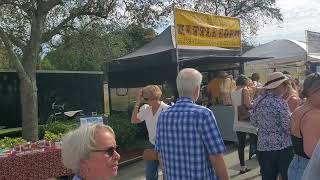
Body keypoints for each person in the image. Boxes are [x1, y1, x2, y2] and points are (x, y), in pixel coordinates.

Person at [156, 68, 229, 180]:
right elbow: (216, 156)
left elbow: (161, 156)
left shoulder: (163, 116)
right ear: (197, 89)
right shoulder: (203, 114)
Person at [251, 72, 293, 180]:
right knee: (286, 176)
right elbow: (287, 127)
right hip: (282, 147)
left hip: (263, 147)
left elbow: (254, 123)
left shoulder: (257, 101)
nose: (287, 88)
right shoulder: (280, 103)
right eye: (286, 85)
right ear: (280, 86)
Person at [131, 85, 169, 180]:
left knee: (167, 174)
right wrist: (137, 102)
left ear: (153, 98)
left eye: (146, 98)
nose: (144, 100)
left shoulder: (167, 109)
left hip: (166, 146)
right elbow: (134, 120)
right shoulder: (145, 109)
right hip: (152, 144)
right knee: (150, 175)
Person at [288, 73, 320, 180]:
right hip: (308, 169)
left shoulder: (300, 109)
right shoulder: (314, 115)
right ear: (312, 91)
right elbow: (312, 152)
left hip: (296, 164)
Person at [231, 75, 257, 174]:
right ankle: (263, 167)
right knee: (255, 142)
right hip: (247, 121)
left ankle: (242, 167)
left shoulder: (232, 92)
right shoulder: (244, 91)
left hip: (237, 121)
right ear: (245, 82)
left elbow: (235, 107)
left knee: (240, 145)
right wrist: (255, 103)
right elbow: (248, 105)